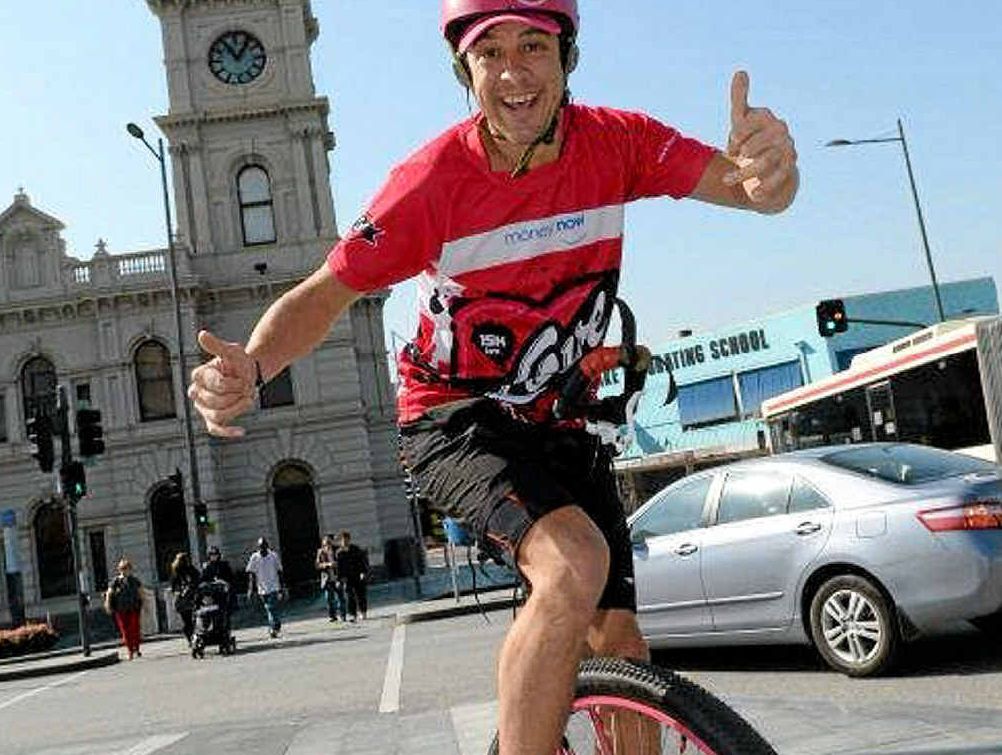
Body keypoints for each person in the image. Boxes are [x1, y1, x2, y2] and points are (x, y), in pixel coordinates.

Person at [187, 1, 798, 750]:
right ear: (465, 71)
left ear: (567, 55)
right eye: (491, 52)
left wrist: (770, 174)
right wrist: (252, 364)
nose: (514, 72)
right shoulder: (430, 182)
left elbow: (745, 187)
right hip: (455, 420)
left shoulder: (617, 143)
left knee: (625, 652)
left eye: (534, 46)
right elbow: (325, 294)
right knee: (574, 563)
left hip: (560, 419)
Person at [104, 558, 144, 660]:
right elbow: (109, 593)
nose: (124, 570)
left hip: (134, 608)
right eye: (122, 568)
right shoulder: (115, 581)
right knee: (125, 630)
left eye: (126, 568)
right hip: (120, 609)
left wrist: (144, 605)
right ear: (119, 569)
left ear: (130, 569)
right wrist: (108, 605)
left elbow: (141, 593)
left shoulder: (135, 580)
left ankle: (137, 648)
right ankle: (130, 650)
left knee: (135, 628)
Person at [245, 537, 284, 638]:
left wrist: (281, 588)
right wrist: (250, 589)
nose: (262, 549)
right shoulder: (254, 557)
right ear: (258, 548)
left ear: (267, 547)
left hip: (274, 587)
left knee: (270, 608)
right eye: (260, 547)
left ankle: (273, 628)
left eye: (264, 547)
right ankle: (277, 623)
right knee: (271, 609)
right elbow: (251, 574)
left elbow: (280, 571)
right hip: (262, 589)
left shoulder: (273, 556)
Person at [334, 530, 369, 622]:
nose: (345, 541)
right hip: (346, 577)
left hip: (357, 575)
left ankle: (363, 611)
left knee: (360, 594)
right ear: (340, 541)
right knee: (349, 596)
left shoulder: (355, 549)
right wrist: (338, 579)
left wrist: (363, 572)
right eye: (342, 540)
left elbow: (362, 562)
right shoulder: (339, 553)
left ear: (349, 539)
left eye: (346, 539)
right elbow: (338, 567)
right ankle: (353, 614)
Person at [169, 552, 200, 646]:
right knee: (189, 621)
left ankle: (192, 638)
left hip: (188, 598)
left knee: (189, 621)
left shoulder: (189, 569)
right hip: (185, 599)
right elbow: (174, 586)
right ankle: (191, 638)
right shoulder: (178, 572)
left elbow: (197, 579)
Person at [315, 534, 344, 622]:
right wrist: (327, 565)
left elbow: (343, 562)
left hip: (337, 577)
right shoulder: (320, 552)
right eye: (325, 544)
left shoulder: (337, 550)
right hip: (327, 579)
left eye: (328, 543)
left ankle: (343, 614)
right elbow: (317, 565)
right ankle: (333, 616)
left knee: (341, 597)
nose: (327, 545)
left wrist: (337, 564)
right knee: (329, 598)